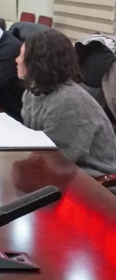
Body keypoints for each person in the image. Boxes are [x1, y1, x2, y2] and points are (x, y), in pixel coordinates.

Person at [18, 29, 116, 177]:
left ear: (38, 63)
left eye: (22, 55)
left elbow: (59, 161)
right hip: (59, 169)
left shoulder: (66, 101)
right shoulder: (33, 90)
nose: (17, 60)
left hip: (93, 179)